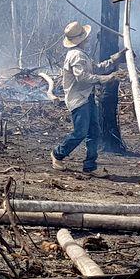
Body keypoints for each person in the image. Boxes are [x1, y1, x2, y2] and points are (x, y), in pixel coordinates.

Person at [50, 21, 126, 175]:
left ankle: (90, 166)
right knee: (80, 132)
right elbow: (82, 78)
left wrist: (114, 60)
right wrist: (107, 78)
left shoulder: (80, 53)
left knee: (94, 132)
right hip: (79, 99)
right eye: (86, 37)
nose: (88, 39)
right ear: (81, 39)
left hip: (87, 97)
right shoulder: (76, 55)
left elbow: (95, 68)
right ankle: (58, 154)